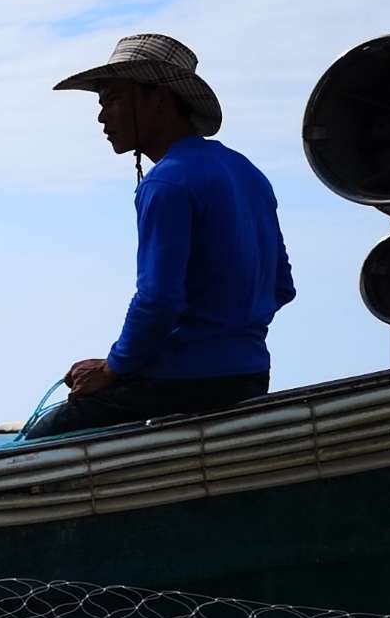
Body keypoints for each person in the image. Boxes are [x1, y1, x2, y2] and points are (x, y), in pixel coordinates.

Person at [24, 33, 296, 441]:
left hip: (184, 387)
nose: (102, 117)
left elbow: (159, 300)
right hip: (250, 377)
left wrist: (114, 368)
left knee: (47, 437)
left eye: (113, 100)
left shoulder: (166, 182)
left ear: (160, 100)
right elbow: (282, 286)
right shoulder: (248, 173)